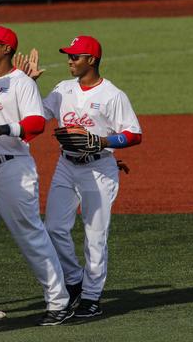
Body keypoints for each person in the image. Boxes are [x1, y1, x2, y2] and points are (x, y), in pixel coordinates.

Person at [0, 25, 73, 326]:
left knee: (30, 235)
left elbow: (35, 124)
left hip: (13, 169)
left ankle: (59, 302)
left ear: (7, 49)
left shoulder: (22, 83)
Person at [43, 36, 142, 318]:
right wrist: (27, 83)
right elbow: (39, 113)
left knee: (94, 236)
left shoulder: (112, 95)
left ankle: (91, 296)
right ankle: (75, 281)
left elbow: (134, 134)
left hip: (99, 169)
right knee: (53, 228)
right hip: (66, 165)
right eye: (69, 56)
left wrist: (101, 141)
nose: (70, 61)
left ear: (92, 60)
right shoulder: (63, 89)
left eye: (75, 57)